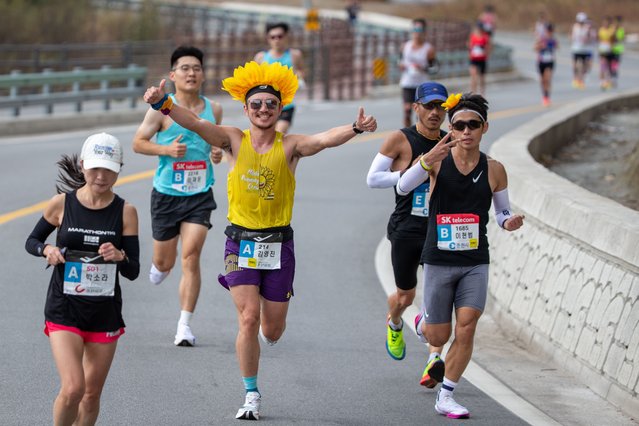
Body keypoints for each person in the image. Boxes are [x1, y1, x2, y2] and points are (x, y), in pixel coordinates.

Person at [143, 60, 377, 420]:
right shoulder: (234, 139)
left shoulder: (291, 145)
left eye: (271, 104)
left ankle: (269, 336)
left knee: (273, 329)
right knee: (248, 318)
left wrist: (355, 128)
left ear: (280, 109)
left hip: (279, 245)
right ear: (246, 109)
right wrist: (164, 104)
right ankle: (251, 393)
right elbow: (197, 123)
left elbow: (323, 140)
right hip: (239, 243)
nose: (264, 109)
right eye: (257, 104)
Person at [396, 93, 524, 418]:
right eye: (459, 125)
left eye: (473, 125)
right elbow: (403, 187)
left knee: (466, 326)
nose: (466, 131)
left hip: (475, 260)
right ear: (451, 129)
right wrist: (426, 160)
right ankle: (423, 322)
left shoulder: (494, 169)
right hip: (439, 258)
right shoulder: (437, 159)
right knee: (439, 335)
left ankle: (447, 394)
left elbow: (501, 212)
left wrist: (509, 222)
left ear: (484, 128)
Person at [25, 133, 140, 426]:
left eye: (110, 169)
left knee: (90, 395)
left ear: (119, 168)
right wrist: (47, 249)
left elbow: (133, 270)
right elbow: (33, 240)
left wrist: (120, 256)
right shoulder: (62, 204)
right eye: (95, 168)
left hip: (104, 312)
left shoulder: (126, 211)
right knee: (74, 388)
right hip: (65, 308)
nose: (102, 176)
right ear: (83, 165)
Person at [132, 46, 223, 347]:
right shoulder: (160, 109)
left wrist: (217, 152)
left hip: (199, 194)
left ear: (203, 75)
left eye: (197, 68)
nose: (192, 73)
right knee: (166, 261)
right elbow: (138, 143)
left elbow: (218, 143)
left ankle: (184, 325)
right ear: (172, 75)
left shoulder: (214, 109)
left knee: (191, 256)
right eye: (185, 68)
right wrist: (166, 150)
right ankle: (159, 266)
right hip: (167, 195)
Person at [366, 81, 446, 387]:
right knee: (405, 295)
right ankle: (396, 320)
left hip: (439, 230)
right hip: (406, 228)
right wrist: (410, 172)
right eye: (429, 106)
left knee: (437, 295)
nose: (435, 113)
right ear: (416, 108)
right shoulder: (400, 139)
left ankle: (433, 360)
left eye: (441, 107)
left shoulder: (450, 141)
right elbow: (373, 179)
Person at [254, 22, 305, 134]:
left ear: (286, 37)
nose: (276, 40)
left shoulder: (294, 55)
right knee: (265, 137)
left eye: (280, 36)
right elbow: (254, 79)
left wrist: (300, 79)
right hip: (265, 105)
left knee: (279, 133)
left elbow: (301, 70)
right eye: (273, 37)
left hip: (286, 105)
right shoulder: (261, 57)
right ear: (268, 39)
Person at [399, 18, 437, 128]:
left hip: (422, 85)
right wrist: (401, 66)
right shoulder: (405, 46)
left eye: (419, 29)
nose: (416, 32)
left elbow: (434, 68)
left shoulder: (429, 49)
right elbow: (399, 61)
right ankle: (406, 134)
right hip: (407, 82)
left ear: (424, 32)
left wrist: (422, 68)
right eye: (414, 29)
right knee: (407, 111)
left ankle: (419, 136)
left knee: (420, 113)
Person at [535, 23, 558, 106]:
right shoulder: (541, 39)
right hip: (541, 61)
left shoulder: (553, 40)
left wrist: (552, 46)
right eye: (548, 30)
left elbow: (557, 47)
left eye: (551, 31)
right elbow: (535, 48)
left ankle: (547, 96)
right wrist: (541, 46)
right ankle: (544, 95)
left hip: (550, 62)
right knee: (542, 80)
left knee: (547, 78)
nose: (549, 32)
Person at [468, 21, 491, 95]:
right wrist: (470, 52)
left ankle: (482, 93)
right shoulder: (473, 36)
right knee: (473, 77)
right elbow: (469, 46)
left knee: (482, 78)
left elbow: (488, 46)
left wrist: (486, 53)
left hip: (482, 59)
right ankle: (473, 93)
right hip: (474, 59)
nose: (479, 30)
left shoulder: (485, 37)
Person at [571, 12, 591, 89]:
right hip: (576, 48)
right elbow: (572, 37)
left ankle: (581, 80)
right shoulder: (575, 27)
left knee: (584, 66)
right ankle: (576, 78)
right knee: (576, 65)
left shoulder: (587, 28)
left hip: (584, 49)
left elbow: (590, 38)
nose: (581, 22)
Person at [598, 16, 616, 90]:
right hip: (603, 50)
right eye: (604, 22)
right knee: (603, 65)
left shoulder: (611, 29)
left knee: (609, 67)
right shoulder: (601, 30)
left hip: (610, 50)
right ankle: (602, 81)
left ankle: (608, 80)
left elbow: (613, 38)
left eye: (607, 22)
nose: (606, 24)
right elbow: (599, 38)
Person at [611, 15, 625, 88]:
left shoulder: (621, 30)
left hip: (617, 49)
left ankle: (614, 79)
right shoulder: (611, 28)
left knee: (614, 65)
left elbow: (620, 39)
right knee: (609, 65)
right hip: (610, 49)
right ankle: (610, 78)